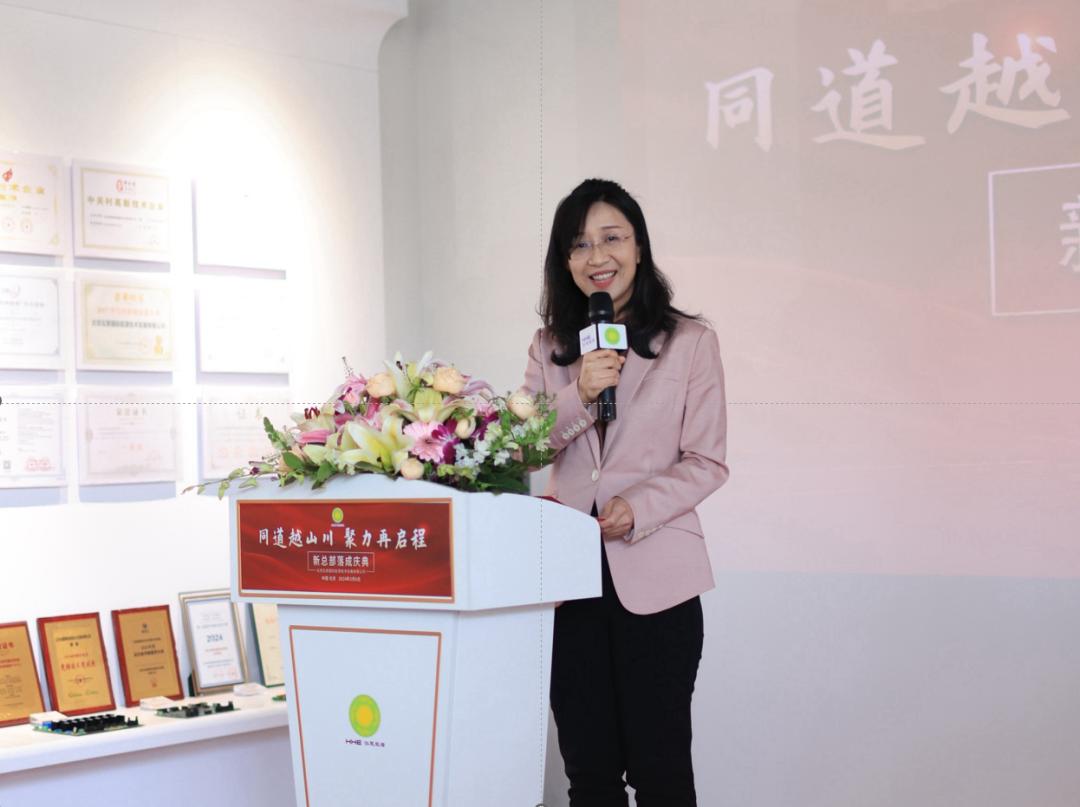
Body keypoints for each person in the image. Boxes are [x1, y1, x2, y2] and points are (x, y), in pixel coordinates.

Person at [521, 178, 729, 807]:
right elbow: (524, 450)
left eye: (612, 238)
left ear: (639, 247)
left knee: (662, 776)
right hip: (568, 583)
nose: (597, 256)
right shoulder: (550, 349)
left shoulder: (690, 343)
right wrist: (579, 394)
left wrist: (636, 508)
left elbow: (706, 461)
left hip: (657, 581)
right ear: (565, 261)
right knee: (589, 777)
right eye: (580, 244)